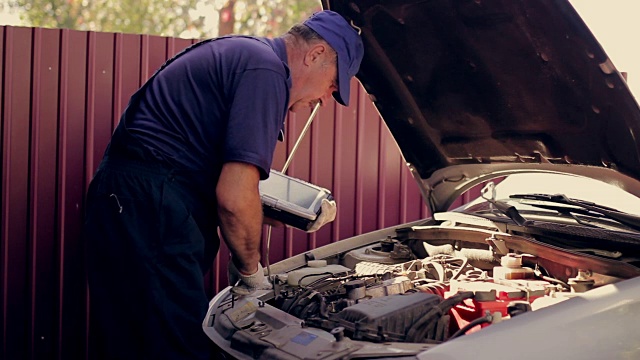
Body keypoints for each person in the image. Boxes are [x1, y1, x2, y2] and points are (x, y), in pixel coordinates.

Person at [83, 10, 363, 360]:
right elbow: (233, 196)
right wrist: (251, 273)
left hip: (131, 202)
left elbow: (222, 178)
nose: (326, 98)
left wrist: (257, 209)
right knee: (179, 347)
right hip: (150, 207)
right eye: (334, 84)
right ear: (316, 54)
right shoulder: (266, 72)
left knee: (128, 343)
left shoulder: (247, 56)